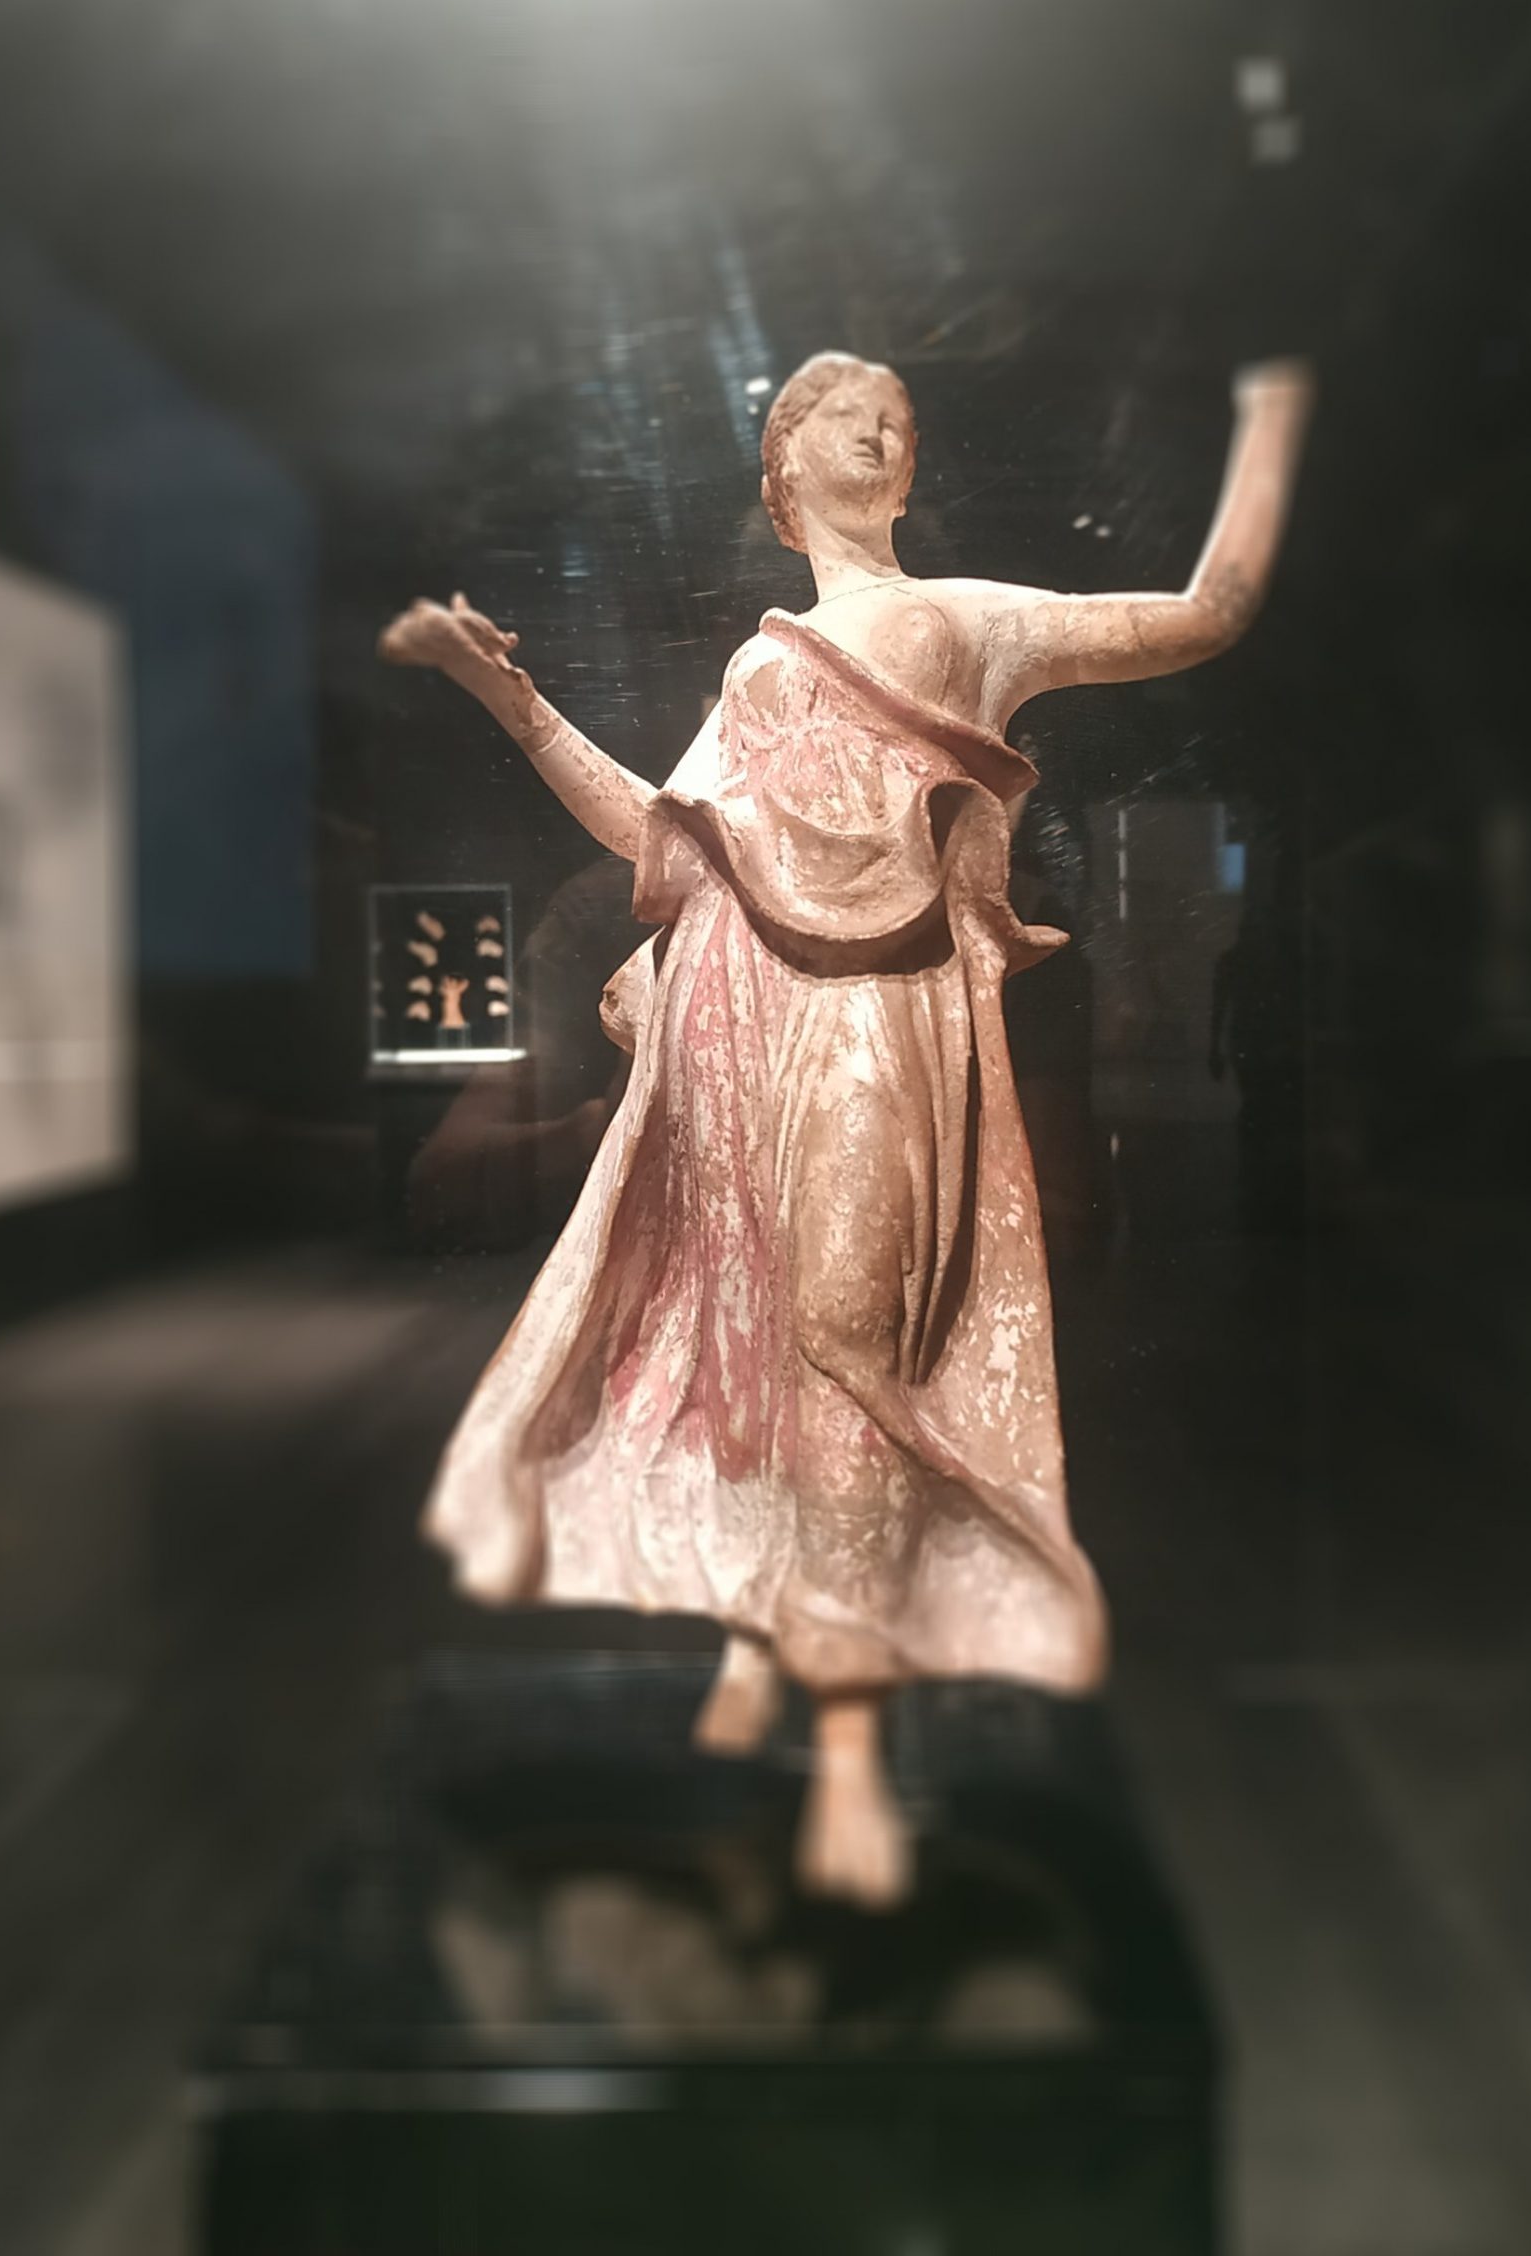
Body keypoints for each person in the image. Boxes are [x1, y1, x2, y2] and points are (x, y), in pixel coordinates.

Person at [379, 349, 1312, 1904]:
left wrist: (1273, 419)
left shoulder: (971, 618)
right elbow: (651, 838)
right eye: (839, 409)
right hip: (735, 1021)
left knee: (841, 1332)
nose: (878, 424)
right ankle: (768, 1631)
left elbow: (1207, 613)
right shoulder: (761, 665)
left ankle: (856, 1742)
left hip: (885, 1011)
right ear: (781, 471)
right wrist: (511, 698)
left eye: (899, 417)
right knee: (749, 1339)